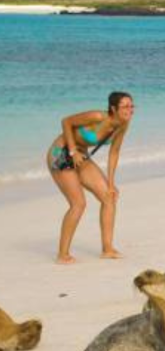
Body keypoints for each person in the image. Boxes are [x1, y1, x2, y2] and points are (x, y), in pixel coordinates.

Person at [47, 92, 134, 264]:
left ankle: (107, 249)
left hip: (81, 157)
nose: (130, 110)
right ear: (113, 108)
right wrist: (73, 151)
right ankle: (62, 255)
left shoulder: (123, 125)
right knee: (78, 204)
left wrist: (111, 183)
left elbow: (114, 152)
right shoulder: (97, 117)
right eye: (125, 106)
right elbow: (66, 121)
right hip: (61, 153)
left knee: (109, 196)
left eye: (132, 106)